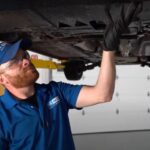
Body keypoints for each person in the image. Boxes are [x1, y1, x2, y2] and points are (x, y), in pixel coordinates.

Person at [0, 1, 142, 150]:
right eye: (14, 61)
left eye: (25, 56)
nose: (25, 62)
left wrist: (108, 48)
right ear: (1, 79)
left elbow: (103, 94)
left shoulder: (55, 92)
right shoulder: (2, 115)